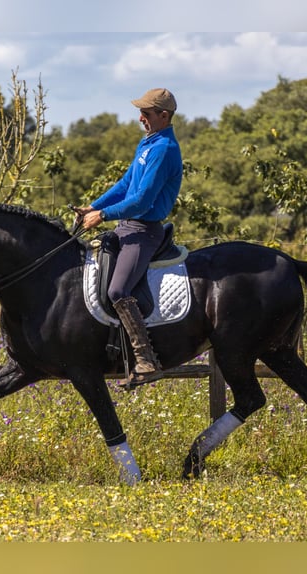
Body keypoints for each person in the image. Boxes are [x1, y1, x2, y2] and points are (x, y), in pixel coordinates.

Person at [75, 88, 182, 387]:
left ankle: (145, 359)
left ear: (164, 115)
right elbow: (125, 184)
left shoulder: (164, 150)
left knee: (118, 290)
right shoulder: (148, 143)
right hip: (125, 227)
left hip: (144, 231)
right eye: (142, 113)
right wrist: (94, 205)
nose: (141, 118)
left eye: (146, 114)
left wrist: (103, 215)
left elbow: (142, 200)